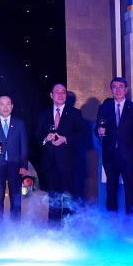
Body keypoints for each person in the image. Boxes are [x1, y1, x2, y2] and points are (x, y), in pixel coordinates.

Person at [35, 84, 83, 226]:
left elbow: (81, 134)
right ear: (51, 95)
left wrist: (65, 139)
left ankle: (69, 227)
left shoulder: (75, 113)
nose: (61, 95)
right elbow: (36, 136)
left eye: (63, 92)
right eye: (57, 92)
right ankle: (53, 227)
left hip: (68, 162)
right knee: (53, 197)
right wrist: (46, 138)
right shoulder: (43, 115)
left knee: (69, 197)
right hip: (49, 163)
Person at [95, 76, 133, 214]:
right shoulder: (104, 108)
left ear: (126, 89)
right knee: (111, 187)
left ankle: (131, 217)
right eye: (114, 87)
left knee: (130, 187)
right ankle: (112, 219)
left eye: (121, 87)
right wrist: (99, 131)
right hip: (110, 155)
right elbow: (98, 129)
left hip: (128, 156)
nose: (118, 90)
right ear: (111, 90)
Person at [0, 95, 29, 222]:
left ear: (12, 106)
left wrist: (23, 165)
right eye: (2, 104)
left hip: (15, 165)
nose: (5, 107)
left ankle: (15, 226)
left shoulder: (19, 124)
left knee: (16, 197)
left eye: (8, 104)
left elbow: (24, 146)